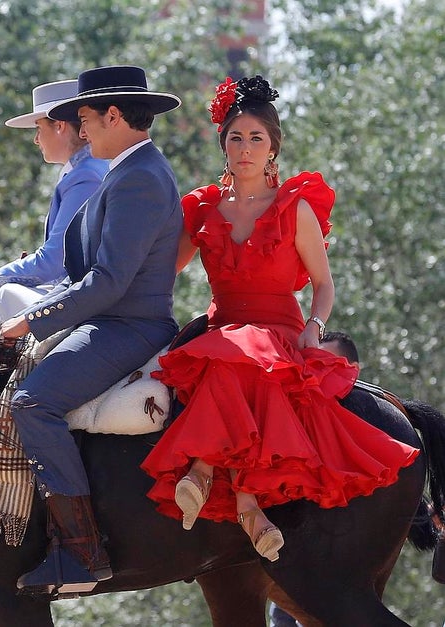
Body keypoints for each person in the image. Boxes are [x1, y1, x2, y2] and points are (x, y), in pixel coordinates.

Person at [140, 75, 419, 562]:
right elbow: (164, 269)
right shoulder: (203, 208)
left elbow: (323, 283)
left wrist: (316, 326)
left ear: (273, 149)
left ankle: (203, 472)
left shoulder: (295, 208)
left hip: (280, 332)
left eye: (256, 138)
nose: (244, 148)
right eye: (235, 137)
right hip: (222, 327)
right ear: (223, 145)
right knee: (230, 351)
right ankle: (249, 508)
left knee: (246, 356)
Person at [0, 65, 184, 596]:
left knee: (33, 403)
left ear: (115, 115)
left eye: (85, 118)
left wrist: (32, 318)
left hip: (128, 326)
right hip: (108, 318)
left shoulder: (141, 178)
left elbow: (108, 281)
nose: (81, 130)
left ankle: (80, 552)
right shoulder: (129, 170)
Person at [0, 80, 109, 320]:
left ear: (60, 126)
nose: (36, 139)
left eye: (38, 128)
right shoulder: (83, 170)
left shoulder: (85, 175)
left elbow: (55, 260)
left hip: (81, 300)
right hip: (75, 292)